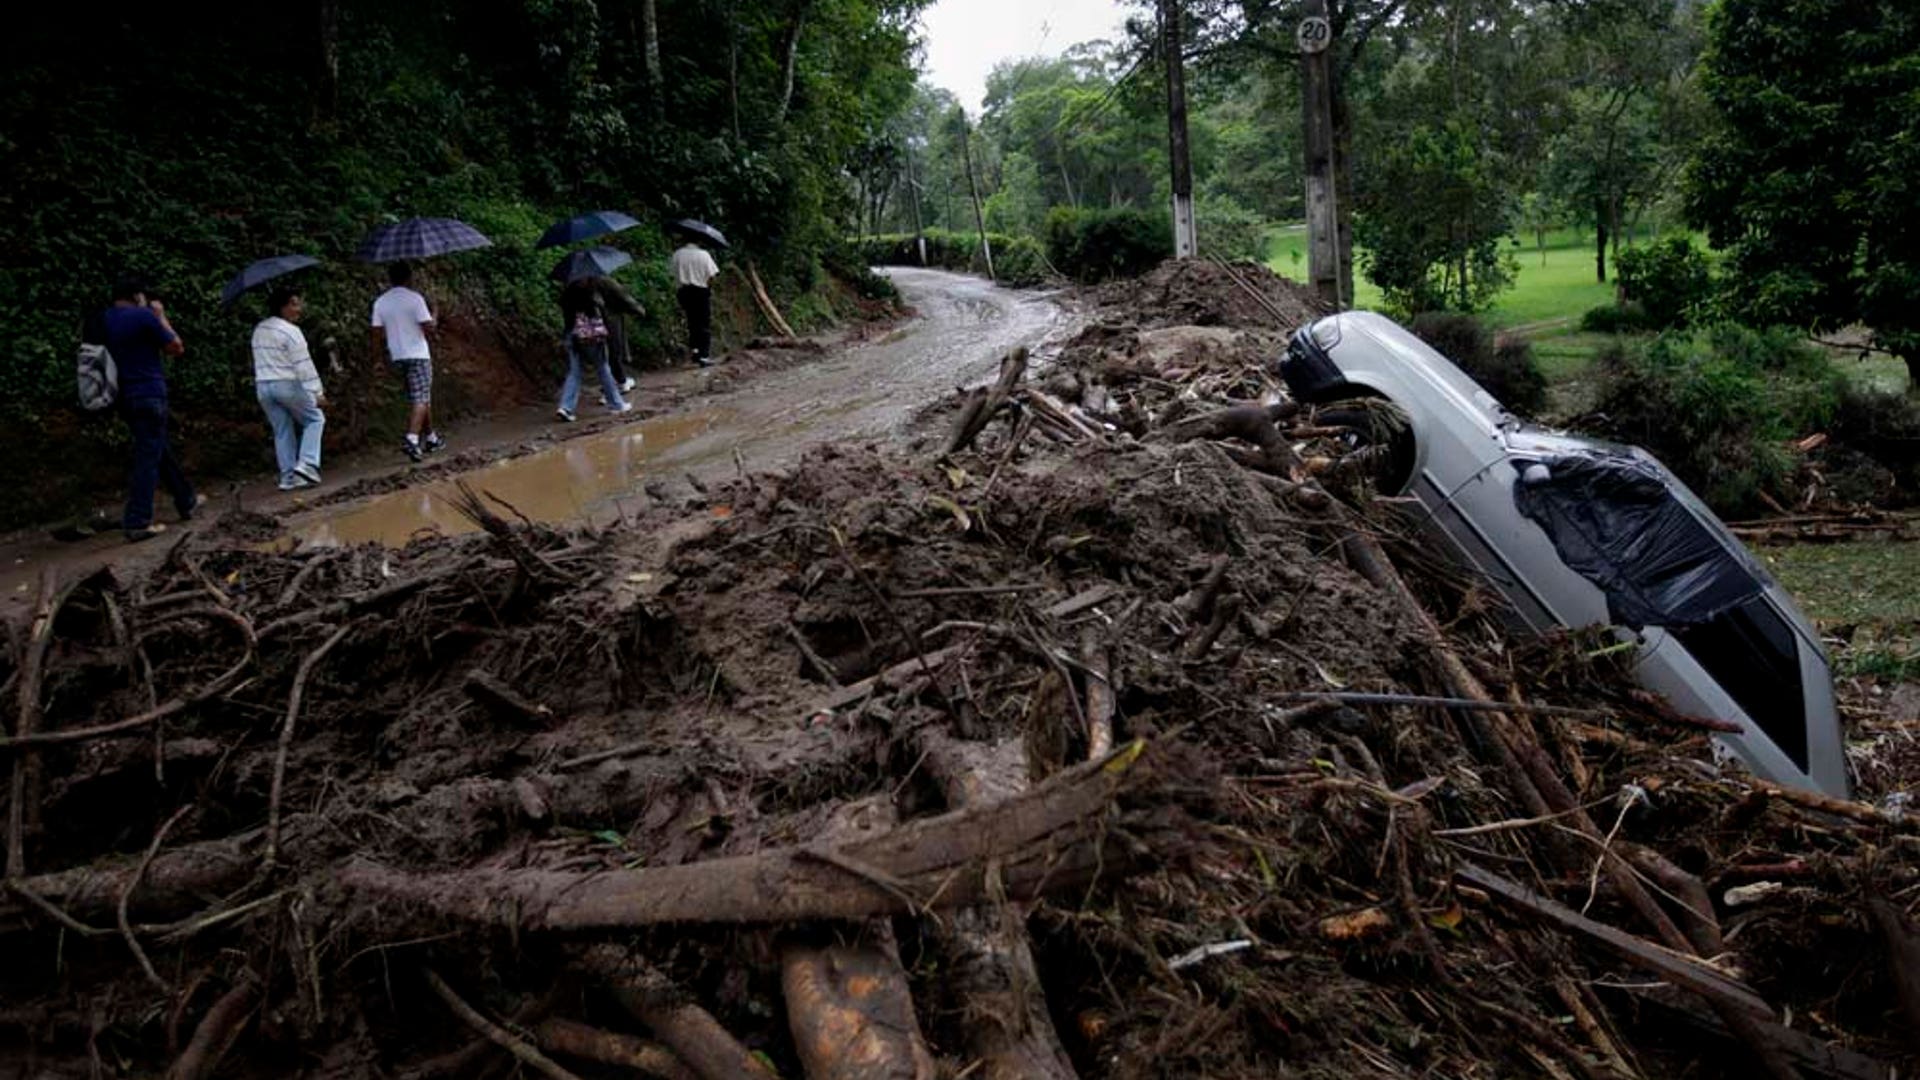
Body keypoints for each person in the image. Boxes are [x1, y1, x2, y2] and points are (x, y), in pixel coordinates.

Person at [102, 274, 200, 542]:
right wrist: (159, 315)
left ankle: (186, 498)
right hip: (149, 392)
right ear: (138, 296)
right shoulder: (143, 316)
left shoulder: (105, 319)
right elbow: (175, 347)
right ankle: (137, 520)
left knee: (156, 448)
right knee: (148, 456)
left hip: (123, 396)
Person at [251, 286, 326, 491]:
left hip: (263, 387)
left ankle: (288, 478)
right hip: (287, 384)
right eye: (294, 303)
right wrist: (316, 392)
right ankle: (308, 464)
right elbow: (303, 364)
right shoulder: (291, 331)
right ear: (282, 307)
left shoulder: (259, 329)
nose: (298, 308)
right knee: (315, 418)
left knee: (282, 430)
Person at [370, 261, 443, 462]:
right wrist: (435, 311)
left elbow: (376, 333)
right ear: (409, 278)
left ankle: (431, 438)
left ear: (390, 279)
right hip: (418, 354)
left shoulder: (380, 302)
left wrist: (377, 360)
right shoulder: (415, 299)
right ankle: (411, 439)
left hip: (397, 356)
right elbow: (430, 328)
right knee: (421, 397)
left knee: (419, 396)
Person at [554, 276, 631, 422]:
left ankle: (566, 407)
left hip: (571, 335)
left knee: (574, 372)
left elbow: (567, 317)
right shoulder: (590, 293)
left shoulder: (567, 294)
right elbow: (599, 313)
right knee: (603, 368)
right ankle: (616, 404)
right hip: (591, 335)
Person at [670, 235, 722, 367]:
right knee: (703, 322)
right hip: (700, 291)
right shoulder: (703, 255)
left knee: (691, 321)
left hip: (684, 291)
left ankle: (695, 351)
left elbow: (673, 273)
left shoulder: (677, 254)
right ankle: (704, 355)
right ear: (698, 241)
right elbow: (712, 275)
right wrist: (708, 285)